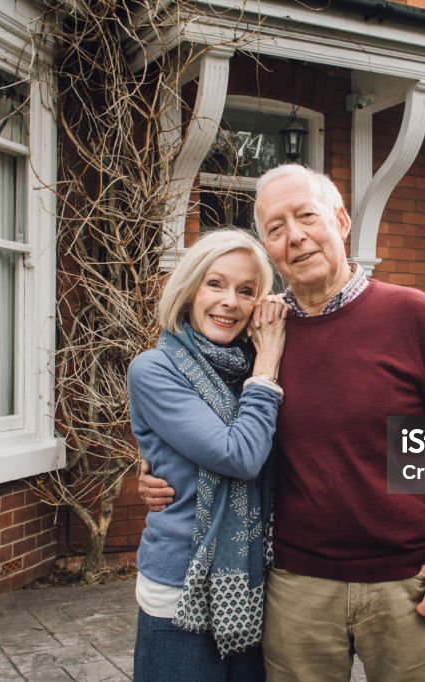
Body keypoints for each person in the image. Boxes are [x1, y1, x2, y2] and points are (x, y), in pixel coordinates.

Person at [140, 165, 425, 681]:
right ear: (269, 246)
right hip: (295, 587)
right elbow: (215, 422)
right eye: (276, 228)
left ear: (341, 221)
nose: (295, 236)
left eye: (306, 216)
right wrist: (159, 473)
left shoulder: (412, 316)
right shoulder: (259, 335)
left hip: (406, 586)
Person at [129, 229, 288, 681]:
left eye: (246, 291)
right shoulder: (154, 368)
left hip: (255, 587)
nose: (230, 303)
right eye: (215, 284)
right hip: (180, 588)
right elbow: (238, 455)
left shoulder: (251, 365)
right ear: (189, 289)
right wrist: (266, 370)